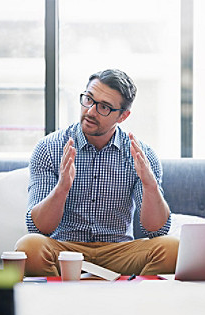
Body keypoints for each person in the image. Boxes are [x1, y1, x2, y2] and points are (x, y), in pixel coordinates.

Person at [16, 69, 179, 277]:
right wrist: (62, 188)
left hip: (119, 251)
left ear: (123, 116)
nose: (91, 111)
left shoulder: (141, 155)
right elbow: (38, 229)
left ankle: (133, 302)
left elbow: (156, 231)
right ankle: (61, 302)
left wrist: (150, 186)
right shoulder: (49, 148)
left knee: (172, 248)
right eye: (88, 99)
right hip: (65, 250)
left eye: (104, 107)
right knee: (29, 247)